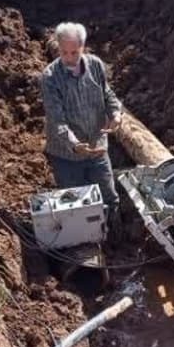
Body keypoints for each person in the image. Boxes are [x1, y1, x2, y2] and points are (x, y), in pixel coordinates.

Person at [40, 21, 123, 222]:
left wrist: (116, 113)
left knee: (109, 196)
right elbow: (57, 120)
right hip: (66, 156)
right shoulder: (50, 77)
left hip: (97, 147)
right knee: (75, 205)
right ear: (58, 48)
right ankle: (83, 245)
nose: (69, 58)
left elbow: (107, 94)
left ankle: (115, 234)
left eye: (74, 53)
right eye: (64, 53)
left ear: (83, 47)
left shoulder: (95, 65)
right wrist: (75, 144)